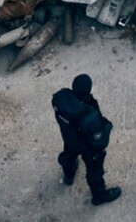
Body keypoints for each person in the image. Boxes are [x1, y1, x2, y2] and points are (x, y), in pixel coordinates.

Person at [51, 74, 121, 206]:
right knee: (94, 169)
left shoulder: (60, 98)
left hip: (69, 137)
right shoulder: (89, 115)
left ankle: (68, 175)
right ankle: (99, 195)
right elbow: (100, 142)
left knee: (69, 155)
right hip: (86, 145)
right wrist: (107, 126)